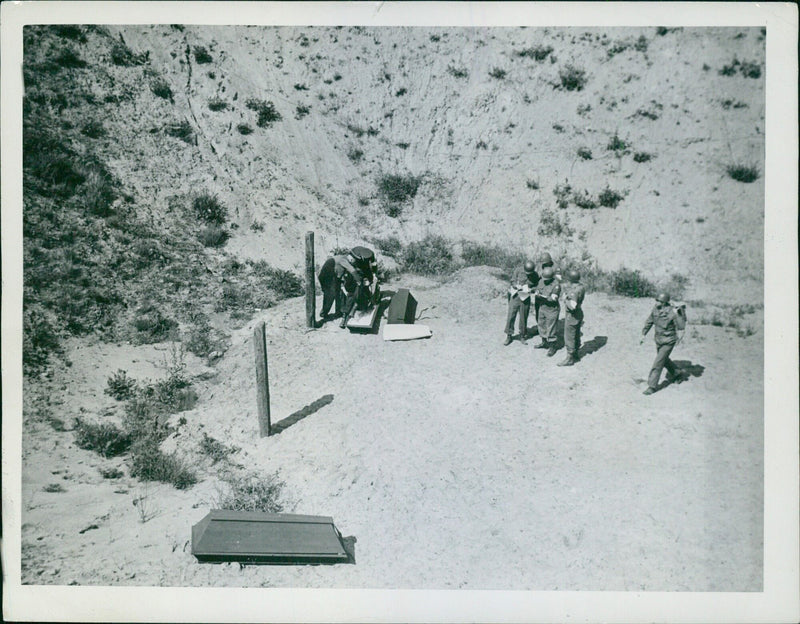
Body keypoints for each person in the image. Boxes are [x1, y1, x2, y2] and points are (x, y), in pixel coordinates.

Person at [640, 292, 684, 395]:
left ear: (665, 302)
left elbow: (681, 326)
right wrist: (643, 334)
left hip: (669, 340)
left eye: (659, 301)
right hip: (658, 339)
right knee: (663, 360)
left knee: (658, 363)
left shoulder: (673, 311)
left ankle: (652, 386)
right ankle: (677, 373)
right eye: (657, 300)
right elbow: (649, 321)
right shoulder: (655, 309)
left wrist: (680, 337)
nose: (657, 303)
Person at [339, 246, 380, 328]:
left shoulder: (371, 254)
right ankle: (345, 315)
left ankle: (367, 301)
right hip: (353, 271)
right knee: (351, 293)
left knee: (365, 287)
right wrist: (358, 280)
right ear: (360, 256)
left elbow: (373, 264)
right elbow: (350, 265)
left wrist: (374, 274)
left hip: (365, 270)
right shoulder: (354, 252)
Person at [317, 250, 360, 325]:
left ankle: (338, 311)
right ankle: (324, 313)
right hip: (327, 276)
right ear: (351, 258)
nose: (353, 263)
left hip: (330, 276)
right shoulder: (344, 259)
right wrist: (359, 281)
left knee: (338, 293)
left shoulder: (341, 258)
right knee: (330, 295)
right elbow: (352, 271)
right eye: (354, 261)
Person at [504, 260, 538, 346]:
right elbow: (512, 281)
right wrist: (516, 285)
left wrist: (531, 289)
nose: (528, 274)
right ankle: (509, 335)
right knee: (511, 315)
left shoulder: (535, 275)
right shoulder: (518, 270)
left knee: (524, 317)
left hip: (525, 297)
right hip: (515, 296)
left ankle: (522, 335)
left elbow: (537, 286)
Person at [558, 269, 585, 366]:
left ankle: (570, 358)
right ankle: (576, 354)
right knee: (576, 334)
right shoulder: (581, 287)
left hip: (572, 316)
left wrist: (565, 299)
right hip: (579, 314)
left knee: (569, 336)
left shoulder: (574, 291)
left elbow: (572, 306)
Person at [534, 266, 561, 356]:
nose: (545, 280)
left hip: (552, 310)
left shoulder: (556, 285)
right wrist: (537, 293)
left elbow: (553, 299)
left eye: (547, 279)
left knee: (551, 328)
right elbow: (538, 289)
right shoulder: (541, 281)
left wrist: (544, 297)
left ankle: (552, 347)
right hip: (542, 307)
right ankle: (544, 342)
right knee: (541, 324)